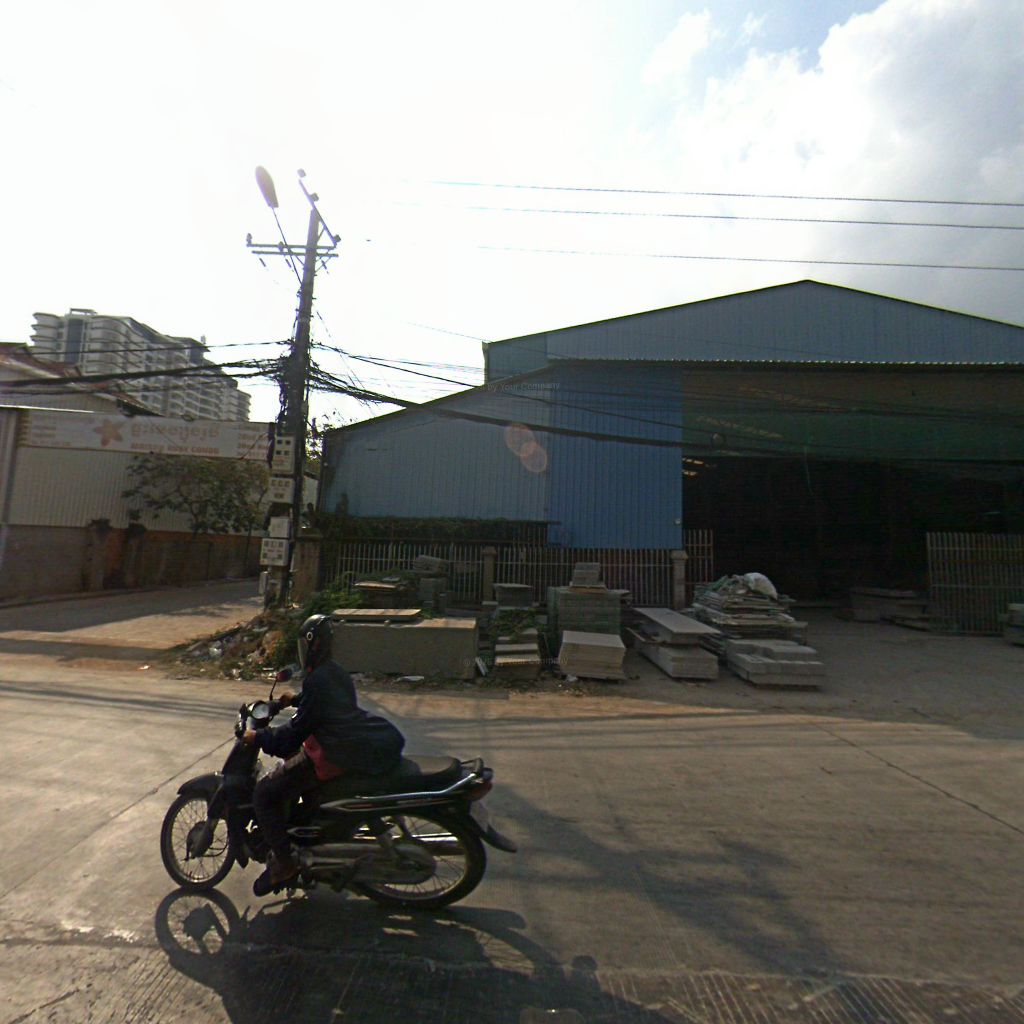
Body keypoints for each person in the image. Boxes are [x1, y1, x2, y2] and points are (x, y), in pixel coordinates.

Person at [243, 613, 405, 896]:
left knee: (264, 793)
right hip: (344, 744)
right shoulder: (335, 672)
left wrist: (259, 737)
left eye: (304, 646)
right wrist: (296, 700)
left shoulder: (317, 680)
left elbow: (293, 734)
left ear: (313, 645)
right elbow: (328, 704)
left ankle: (284, 864)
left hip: (330, 755)